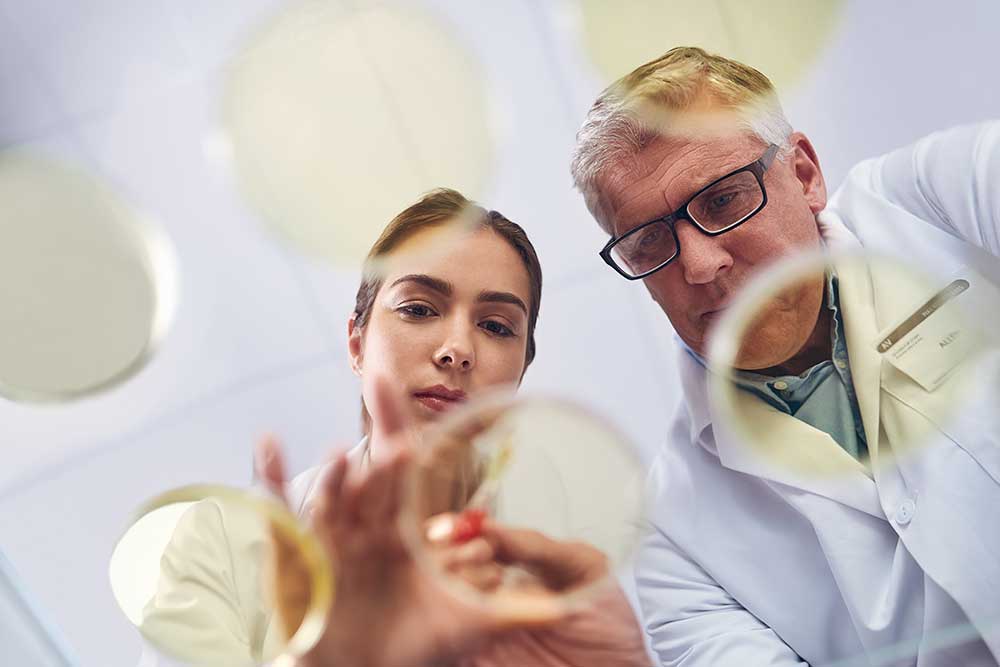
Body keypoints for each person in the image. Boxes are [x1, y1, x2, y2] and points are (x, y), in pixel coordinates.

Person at [570, 46, 1000, 665]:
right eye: (650, 242)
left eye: (722, 201)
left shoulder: (938, 204)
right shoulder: (672, 537)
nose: (700, 264)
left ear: (804, 175)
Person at [138, 189, 650, 667]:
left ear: (521, 370)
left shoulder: (573, 571)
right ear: (356, 344)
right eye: (419, 309)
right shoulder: (220, 542)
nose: (458, 350)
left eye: (496, 326)